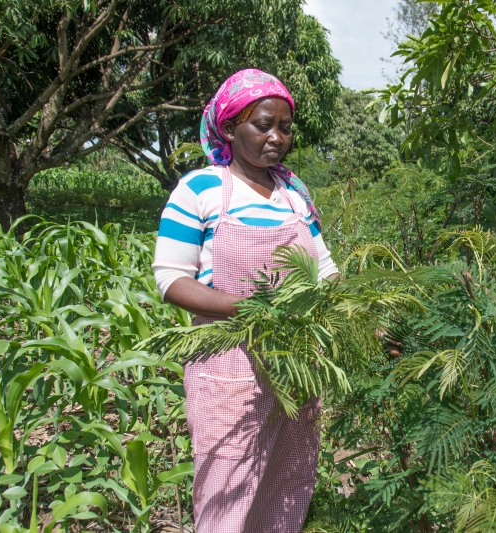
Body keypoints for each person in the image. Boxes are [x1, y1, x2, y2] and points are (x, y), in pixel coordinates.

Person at [151, 69, 339, 533]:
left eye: (286, 127)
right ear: (230, 127)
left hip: (296, 365)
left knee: (287, 478)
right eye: (262, 125)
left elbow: (327, 271)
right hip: (227, 366)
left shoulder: (295, 195)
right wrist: (252, 309)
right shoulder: (200, 189)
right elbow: (172, 280)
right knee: (227, 485)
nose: (276, 137)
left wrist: (361, 320)